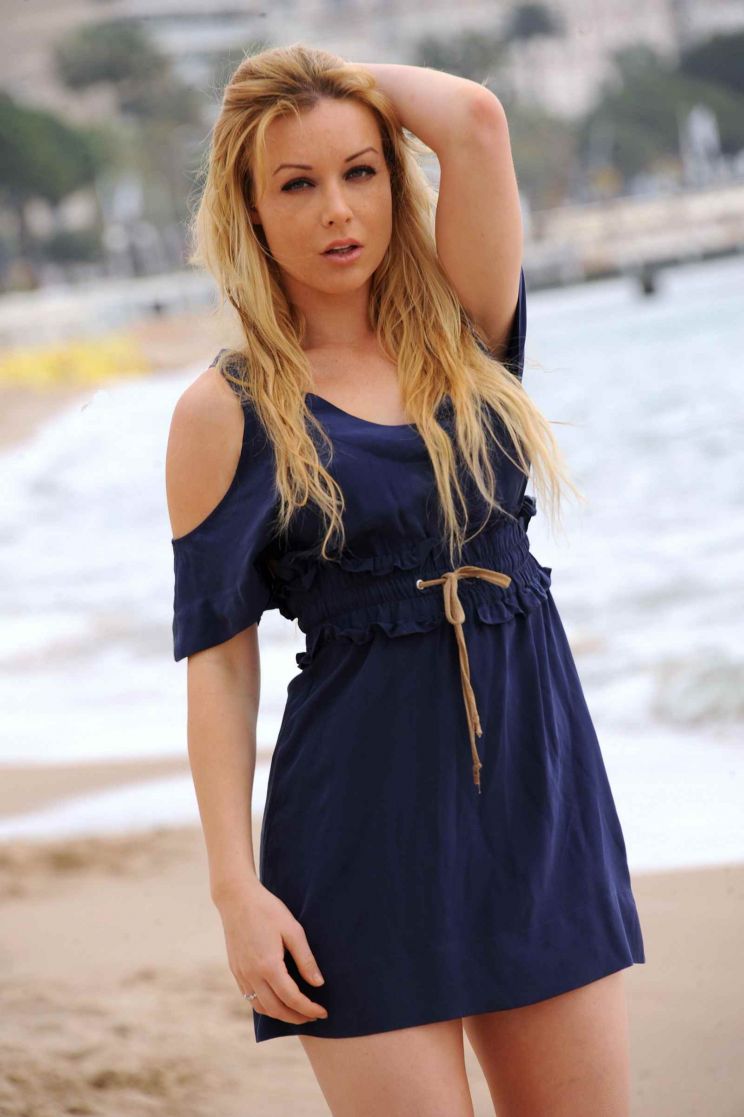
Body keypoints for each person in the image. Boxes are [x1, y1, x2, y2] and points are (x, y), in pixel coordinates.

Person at [166, 45, 645, 1117]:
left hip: (538, 802)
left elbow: (474, 119)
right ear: (248, 208)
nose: (337, 210)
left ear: (394, 177)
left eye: (361, 170)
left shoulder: (467, 330)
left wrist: (317, 74)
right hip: (358, 837)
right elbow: (219, 665)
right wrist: (235, 890)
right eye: (296, 183)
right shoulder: (224, 412)